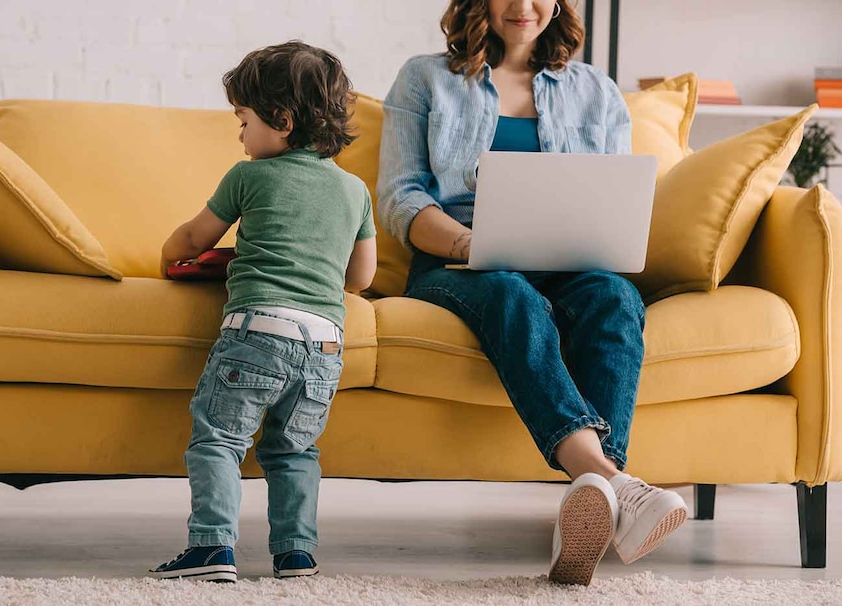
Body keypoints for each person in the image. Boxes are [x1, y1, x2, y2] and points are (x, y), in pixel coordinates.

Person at [378, 0, 687, 586]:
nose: (523, 6)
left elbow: (610, 196)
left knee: (616, 300)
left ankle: (592, 500)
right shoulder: (424, 79)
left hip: (567, 258)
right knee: (511, 296)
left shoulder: (597, 91)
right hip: (459, 259)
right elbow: (400, 197)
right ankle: (615, 484)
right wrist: (473, 243)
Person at [152, 40, 377, 583]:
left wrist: (167, 254)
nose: (241, 135)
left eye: (243, 121)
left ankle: (211, 548)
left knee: (219, 440)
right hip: (324, 346)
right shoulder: (355, 190)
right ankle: (295, 554)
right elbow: (361, 278)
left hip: (257, 333)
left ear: (280, 119)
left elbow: (193, 237)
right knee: (295, 450)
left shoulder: (248, 176)